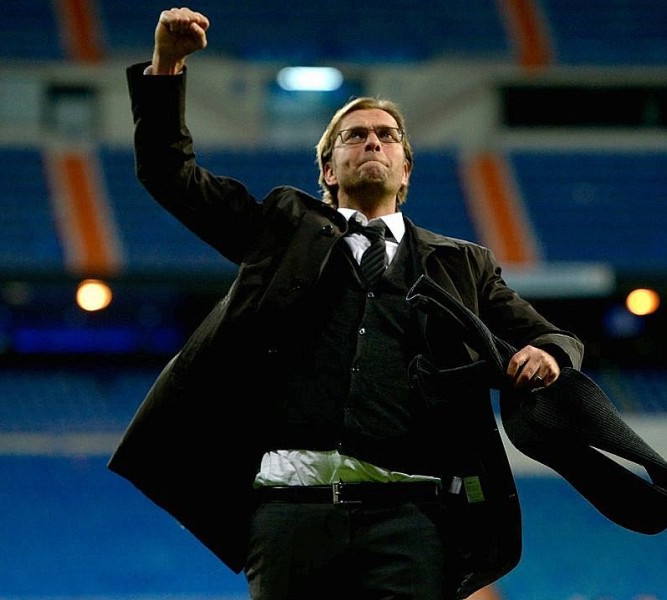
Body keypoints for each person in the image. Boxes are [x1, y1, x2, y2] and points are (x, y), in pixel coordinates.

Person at [109, 7, 584, 600]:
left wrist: (550, 356)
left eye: (387, 136)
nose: (372, 143)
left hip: (412, 521)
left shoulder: (462, 262)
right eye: (354, 136)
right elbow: (168, 174)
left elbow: (554, 336)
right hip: (290, 518)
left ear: (405, 170)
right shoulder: (283, 229)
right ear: (328, 170)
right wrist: (168, 65)